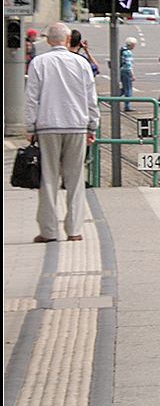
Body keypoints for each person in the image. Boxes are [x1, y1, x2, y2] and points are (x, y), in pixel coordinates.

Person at [25, 22, 99, 243]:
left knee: (48, 177)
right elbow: (90, 98)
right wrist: (92, 126)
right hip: (76, 125)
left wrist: (30, 128)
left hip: (47, 125)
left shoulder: (39, 62)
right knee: (75, 178)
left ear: (48, 40)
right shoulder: (81, 63)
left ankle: (48, 231)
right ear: (68, 40)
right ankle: (74, 229)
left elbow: (31, 98)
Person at [119, 37, 137, 110]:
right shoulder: (128, 52)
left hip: (122, 71)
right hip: (126, 72)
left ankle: (114, 97)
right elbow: (128, 64)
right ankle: (127, 105)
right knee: (128, 89)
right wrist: (132, 74)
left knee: (125, 88)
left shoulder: (123, 50)